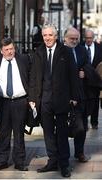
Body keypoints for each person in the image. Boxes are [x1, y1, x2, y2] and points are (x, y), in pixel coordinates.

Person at [29, 23, 78, 178]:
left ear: (55, 36)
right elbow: (34, 77)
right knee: (48, 133)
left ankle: (64, 164)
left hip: (62, 99)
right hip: (44, 100)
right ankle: (52, 161)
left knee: (62, 133)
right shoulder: (39, 52)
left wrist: (74, 97)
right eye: (45, 35)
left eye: (50, 35)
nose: (47, 38)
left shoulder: (66, 52)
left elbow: (73, 76)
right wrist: (32, 98)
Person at [0, 37, 30, 171]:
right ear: (1, 51)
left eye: (12, 49)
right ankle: (2, 161)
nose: (10, 52)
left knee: (19, 133)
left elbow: (31, 78)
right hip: (4, 102)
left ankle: (19, 162)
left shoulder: (24, 59)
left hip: (20, 101)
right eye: (6, 50)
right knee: (4, 132)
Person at [64, 27, 90, 163]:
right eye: (71, 38)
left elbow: (87, 65)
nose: (74, 41)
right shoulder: (61, 51)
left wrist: (85, 72)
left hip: (81, 95)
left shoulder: (82, 50)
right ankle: (63, 155)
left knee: (82, 127)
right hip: (65, 95)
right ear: (65, 38)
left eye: (76, 39)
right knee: (64, 128)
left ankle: (79, 152)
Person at [83, 29, 102, 129]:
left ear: (93, 38)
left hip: (96, 80)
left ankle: (94, 123)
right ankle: (84, 123)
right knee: (84, 102)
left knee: (95, 102)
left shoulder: (99, 48)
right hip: (84, 81)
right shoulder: (80, 47)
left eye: (90, 38)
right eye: (87, 38)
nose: (88, 40)